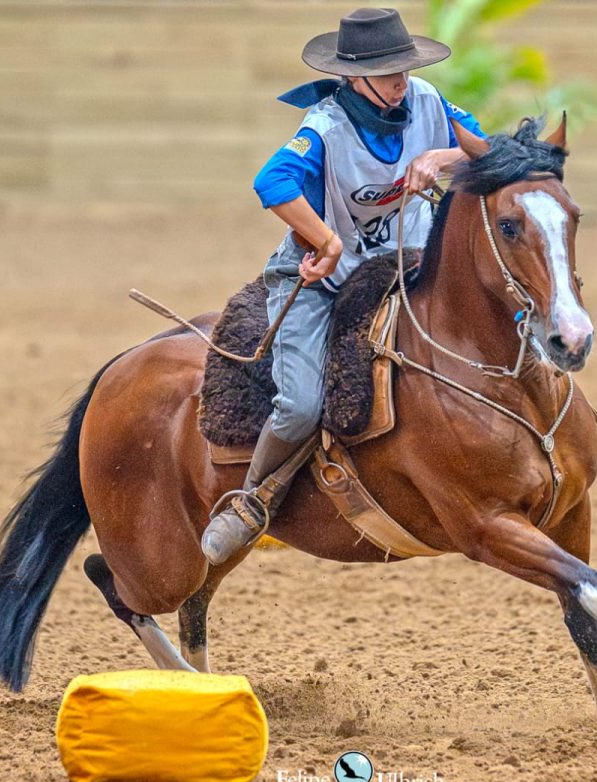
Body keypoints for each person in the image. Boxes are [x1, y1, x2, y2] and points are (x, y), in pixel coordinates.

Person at [201, 7, 487, 566]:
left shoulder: (428, 101)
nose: (400, 81)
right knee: (301, 405)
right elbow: (272, 181)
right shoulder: (325, 128)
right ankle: (249, 503)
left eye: (404, 68)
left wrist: (442, 155)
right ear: (353, 78)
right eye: (386, 73)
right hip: (322, 281)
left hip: (404, 270)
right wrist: (324, 241)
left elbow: (485, 146)